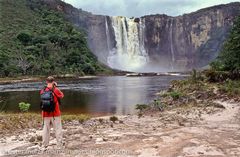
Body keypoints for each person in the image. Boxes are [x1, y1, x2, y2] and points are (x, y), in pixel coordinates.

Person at [40, 76, 64, 149]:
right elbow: (62, 96)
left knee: (45, 129)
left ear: (46, 81)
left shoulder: (42, 90)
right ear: (53, 81)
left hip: (45, 113)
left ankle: (44, 145)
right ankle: (59, 145)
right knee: (57, 129)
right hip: (55, 113)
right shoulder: (56, 89)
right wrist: (55, 86)